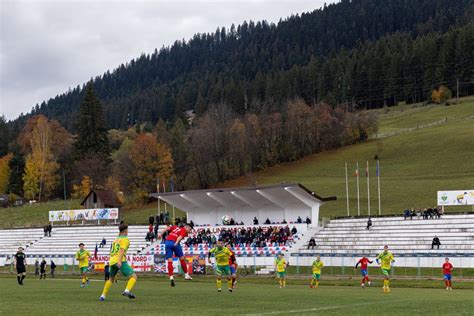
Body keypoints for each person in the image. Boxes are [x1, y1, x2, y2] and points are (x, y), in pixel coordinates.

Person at [100, 223, 138, 301]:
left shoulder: (116, 239)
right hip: (119, 260)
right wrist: (119, 262)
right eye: (127, 230)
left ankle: (102, 296)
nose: (128, 231)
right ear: (125, 230)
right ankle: (126, 291)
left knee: (111, 279)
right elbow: (121, 250)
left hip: (112, 261)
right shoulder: (125, 239)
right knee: (134, 276)